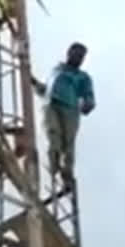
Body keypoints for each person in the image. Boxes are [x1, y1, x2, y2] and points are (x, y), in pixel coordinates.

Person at [31, 42, 95, 186]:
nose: (79, 58)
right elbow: (45, 89)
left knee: (68, 143)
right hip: (51, 104)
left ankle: (67, 173)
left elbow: (88, 94)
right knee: (53, 136)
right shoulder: (57, 70)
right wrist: (34, 82)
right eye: (77, 54)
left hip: (70, 108)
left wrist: (88, 103)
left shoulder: (82, 77)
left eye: (82, 56)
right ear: (69, 53)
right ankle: (53, 167)